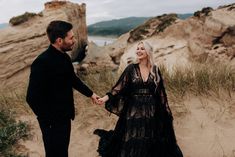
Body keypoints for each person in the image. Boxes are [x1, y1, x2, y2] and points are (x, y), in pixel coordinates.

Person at [26, 20, 100, 157]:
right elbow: (31, 97)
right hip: (51, 123)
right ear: (59, 40)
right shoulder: (42, 62)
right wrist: (48, 121)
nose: (74, 40)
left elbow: (73, 79)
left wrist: (91, 94)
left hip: (65, 117)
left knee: (62, 153)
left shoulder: (65, 58)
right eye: (71, 38)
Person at [97, 41, 183, 157]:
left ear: (148, 52)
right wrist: (105, 98)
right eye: (137, 49)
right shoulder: (131, 69)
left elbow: (161, 93)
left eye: (142, 49)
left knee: (148, 139)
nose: (138, 51)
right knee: (133, 139)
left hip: (151, 111)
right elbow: (118, 88)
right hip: (133, 110)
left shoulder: (155, 70)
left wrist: (167, 111)